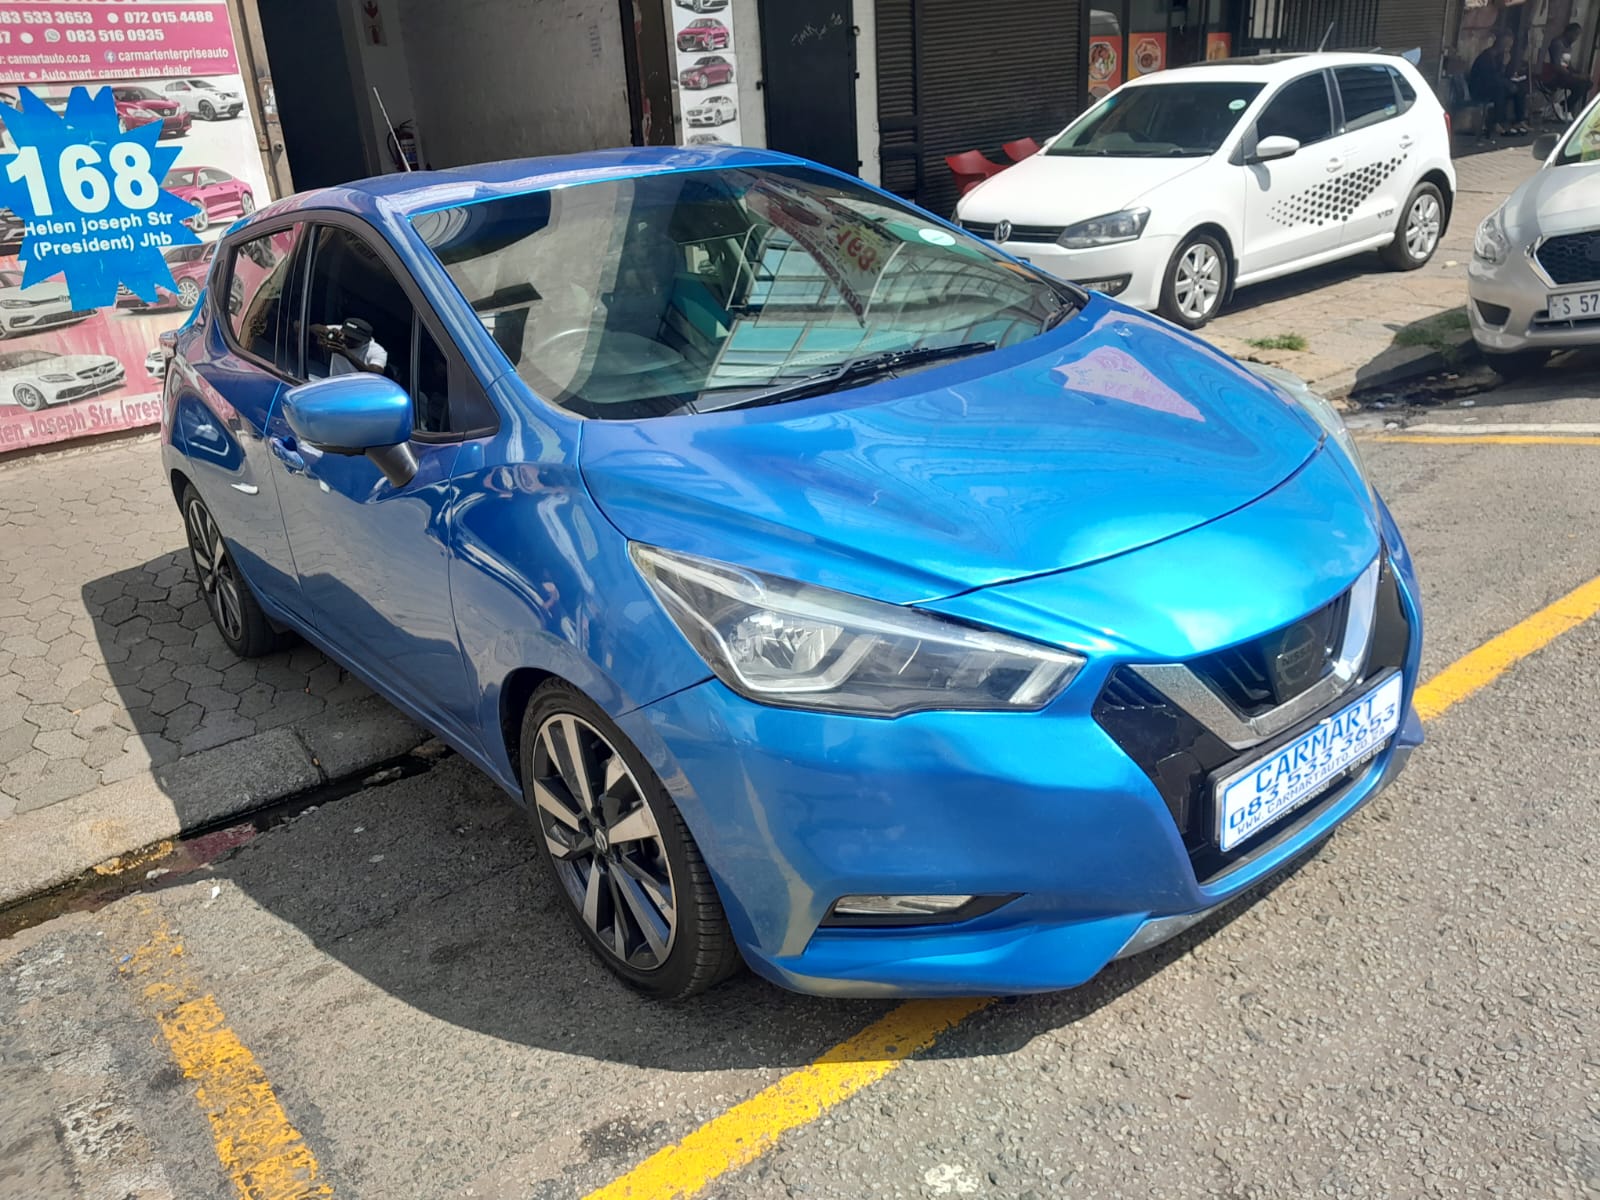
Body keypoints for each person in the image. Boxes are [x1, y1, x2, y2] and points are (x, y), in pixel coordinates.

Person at [1471, 32, 1529, 137]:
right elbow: (1492, 77)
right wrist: (1504, 66)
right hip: (1480, 88)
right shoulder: (1487, 57)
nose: (1508, 48)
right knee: (1500, 91)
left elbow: (1502, 75)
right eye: (1507, 45)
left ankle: (1519, 120)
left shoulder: (1500, 56)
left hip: (1493, 85)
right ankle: (1497, 122)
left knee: (1520, 89)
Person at [1544, 22, 1591, 120]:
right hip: (1553, 76)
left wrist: (1579, 73)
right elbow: (1557, 66)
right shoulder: (1557, 44)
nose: (1576, 38)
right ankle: (1566, 108)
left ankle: (1563, 105)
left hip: (1564, 75)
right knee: (1580, 85)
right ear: (1568, 32)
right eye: (1575, 34)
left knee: (1588, 83)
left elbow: (1567, 65)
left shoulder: (1568, 46)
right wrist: (1575, 76)